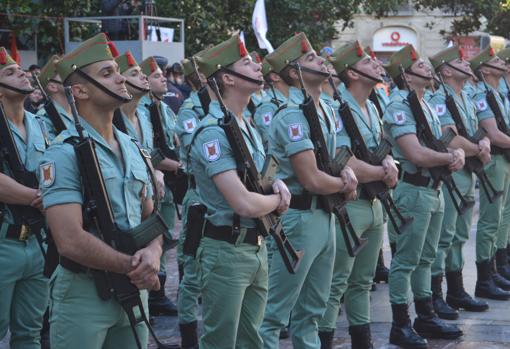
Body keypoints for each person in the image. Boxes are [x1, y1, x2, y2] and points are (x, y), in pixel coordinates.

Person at [39, 32, 165, 349]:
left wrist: (153, 254)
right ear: (79, 90)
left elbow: (150, 218)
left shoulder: (133, 148)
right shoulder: (63, 153)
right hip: (84, 295)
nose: (121, 78)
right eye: (107, 73)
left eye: (116, 70)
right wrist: (135, 267)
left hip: (133, 290)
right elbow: (68, 239)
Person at [191, 34, 291, 348]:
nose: (258, 66)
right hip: (226, 250)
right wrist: (278, 199)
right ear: (227, 78)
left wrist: (274, 184)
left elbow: (254, 182)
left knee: (253, 340)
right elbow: (242, 202)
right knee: (221, 340)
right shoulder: (213, 132)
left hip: (255, 246)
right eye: (247, 63)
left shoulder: (243, 125)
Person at [259, 32, 358, 349]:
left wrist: (343, 171)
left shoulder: (325, 109)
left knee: (312, 310)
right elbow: (311, 179)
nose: (321, 59)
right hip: (300, 218)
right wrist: (345, 184)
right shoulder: (291, 115)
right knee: (275, 313)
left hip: (324, 216)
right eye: (311, 58)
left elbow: (331, 159)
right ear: (293, 72)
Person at [317, 41, 399, 349]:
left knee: (363, 282)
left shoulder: (372, 106)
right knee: (337, 282)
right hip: (351, 206)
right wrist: (381, 172)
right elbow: (343, 160)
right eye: (368, 63)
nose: (377, 65)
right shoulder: (338, 109)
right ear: (351, 73)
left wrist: (389, 162)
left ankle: (362, 342)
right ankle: (324, 340)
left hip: (375, 204)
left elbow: (380, 149)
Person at [383, 45, 464, 348]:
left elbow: (439, 145)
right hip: (414, 189)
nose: (428, 70)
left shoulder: (426, 104)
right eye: (420, 67)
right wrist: (448, 158)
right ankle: (400, 324)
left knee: (426, 257)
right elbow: (415, 153)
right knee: (405, 261)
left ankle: (425, 315)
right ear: (405, 74)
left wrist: (454, 155)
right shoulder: (399, 106)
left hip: (433, 189)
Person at [427, 46, 491, 318]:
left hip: (466, 174)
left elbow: (474, 130)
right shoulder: (439, 98)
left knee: (460, 235)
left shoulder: (464, 95)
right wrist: (479, 148)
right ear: (446, 70)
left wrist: (484, 141)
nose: (467, 64)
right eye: (459, 61)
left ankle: (456, 290)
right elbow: (449, 138)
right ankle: (436, 295)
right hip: (452, 174)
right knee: (444, 238)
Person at [0, 46, 49, 349]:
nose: (21, 71)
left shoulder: (39, 124)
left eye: (20, 69)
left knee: (29, 332)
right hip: (4, 241)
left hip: (37, 241)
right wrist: (40, 197)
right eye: (9, 72)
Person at [138, 56, 181, 316]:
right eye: (156, 75)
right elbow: (145, 149)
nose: (163, 77)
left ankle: (159, 293)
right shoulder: (140, 110)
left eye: (163, 73)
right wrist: (166, 167)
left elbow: (172, 142)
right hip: (150, 183)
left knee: (163, 238)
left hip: (166, 185)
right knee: (148, 237)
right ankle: (151, 294)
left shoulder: (165, 108)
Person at [469, 46, 510, 299]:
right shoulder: (482, 95)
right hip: (493, 160)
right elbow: (493, 134)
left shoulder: (497, 93)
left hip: (503, 158)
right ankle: (484, 277)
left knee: (503, 217)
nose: (502, 64)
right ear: (484, 69)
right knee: (490, 219)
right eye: (496, 61)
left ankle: (497, 268)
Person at [174, 54, 209, 349]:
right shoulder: (190, 111)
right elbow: (196, 150)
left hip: (228, 196)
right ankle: (188, 335)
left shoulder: (227, 110)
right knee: (193, 267)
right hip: (200, 195)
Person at [36, 55, 74, 140]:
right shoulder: (44, 117)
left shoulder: (77, 113)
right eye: (64, 74)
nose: (72, 77)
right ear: (52, 87)